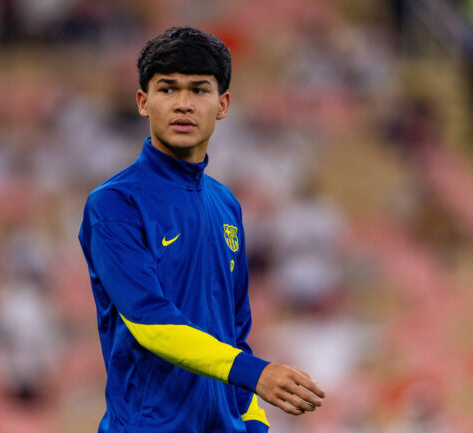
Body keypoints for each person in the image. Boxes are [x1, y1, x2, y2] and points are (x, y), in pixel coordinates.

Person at [78, 26, 326, 433]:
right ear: (143, 102)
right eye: (167, 89)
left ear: (223, 103)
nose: (183, 104)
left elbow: (235, 334)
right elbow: (151, 323)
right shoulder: (114, 204)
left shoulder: (225, 204)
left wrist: (255, 424)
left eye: (198, 90)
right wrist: (255, 373)